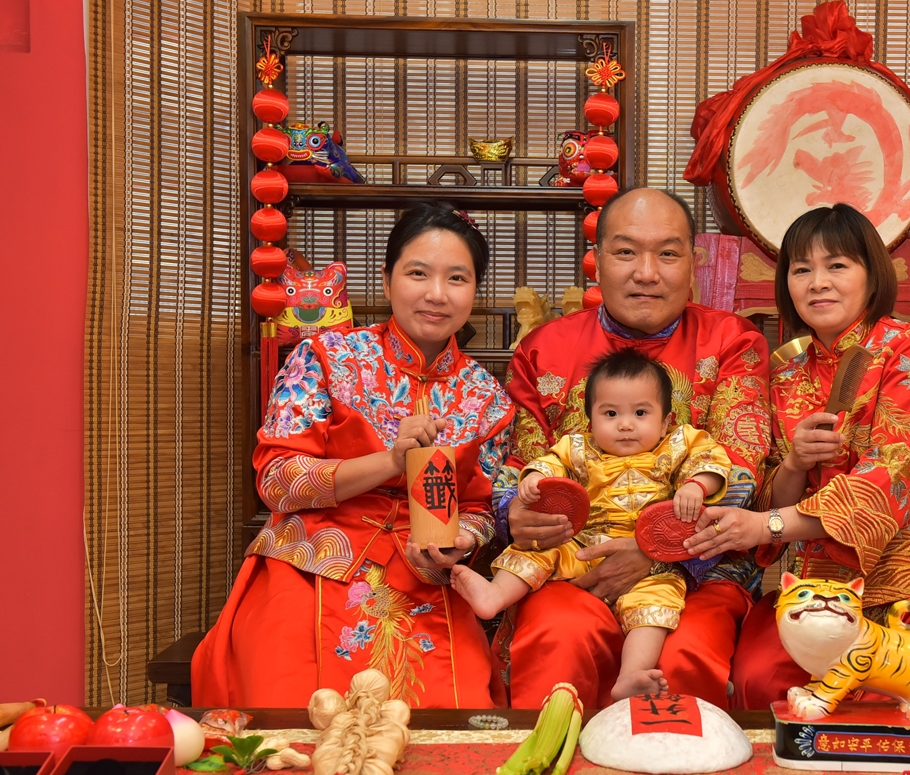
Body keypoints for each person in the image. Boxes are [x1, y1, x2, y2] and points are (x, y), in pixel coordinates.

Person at [684, 203, 910, 711]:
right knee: (764, 684)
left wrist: (767, 526)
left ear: (873, 276)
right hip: (821, 593)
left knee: (892, 701)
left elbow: (883, 485)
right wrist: (793, 466)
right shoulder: (784, 379)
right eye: (802, 270)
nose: (817, 282)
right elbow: (768, 500)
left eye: (837, 266)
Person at [193, 203, 514, 708]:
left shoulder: (488, 398)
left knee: (449, 715)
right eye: (417, 273)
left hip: (424, 580)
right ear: (386, 282)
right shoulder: (324, 356)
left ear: (475, 292)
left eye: (457, 278)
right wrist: (390, 462)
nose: (436, 293)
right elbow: (276, 481)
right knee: (292, 716)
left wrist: (461, 541)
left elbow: (484, 506)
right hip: (308, 570)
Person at [495, 187, 773, 709]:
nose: (647, 272)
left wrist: (655, 547)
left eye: (667, 253)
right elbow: (520, 463)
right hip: (579, 562)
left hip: (699, 570)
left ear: (693, 262)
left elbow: (740, 471)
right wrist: (517, 515)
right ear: (596, 260)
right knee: (557, 637)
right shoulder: (544, 348)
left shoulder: (732, 342)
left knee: (685, 656)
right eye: (625, 252)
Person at [454, 350, 731, 699]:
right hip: (584, 544)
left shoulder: (676, 444)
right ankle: (495, 594)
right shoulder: (579, 448)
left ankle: (632, 674)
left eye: (641, 413)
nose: (625, 424)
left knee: (655, 606)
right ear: (590, 421)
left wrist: (696, 484)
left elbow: (709, 456)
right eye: (610, 414)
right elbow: (551, 461)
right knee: (540, 548)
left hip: (654, 556)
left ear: (665, 422)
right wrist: (535, 478)